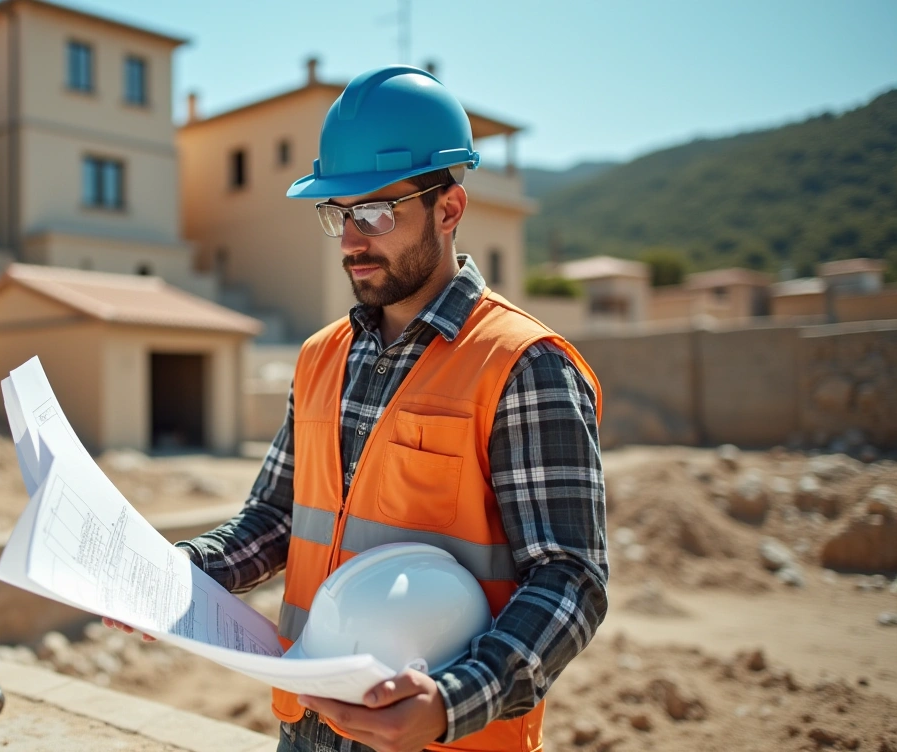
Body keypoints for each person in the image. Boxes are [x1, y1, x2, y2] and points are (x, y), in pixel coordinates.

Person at [110, 65, 606, 752]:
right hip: (307, 726)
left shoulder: (524, 365)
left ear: (449, 210)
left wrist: (450, 701)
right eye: (338, 214)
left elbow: (570, 579)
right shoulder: (321, 357)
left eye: (374, 213)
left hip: (441, 739)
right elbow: (277, 517)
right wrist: (183, 573)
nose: (350, 240)